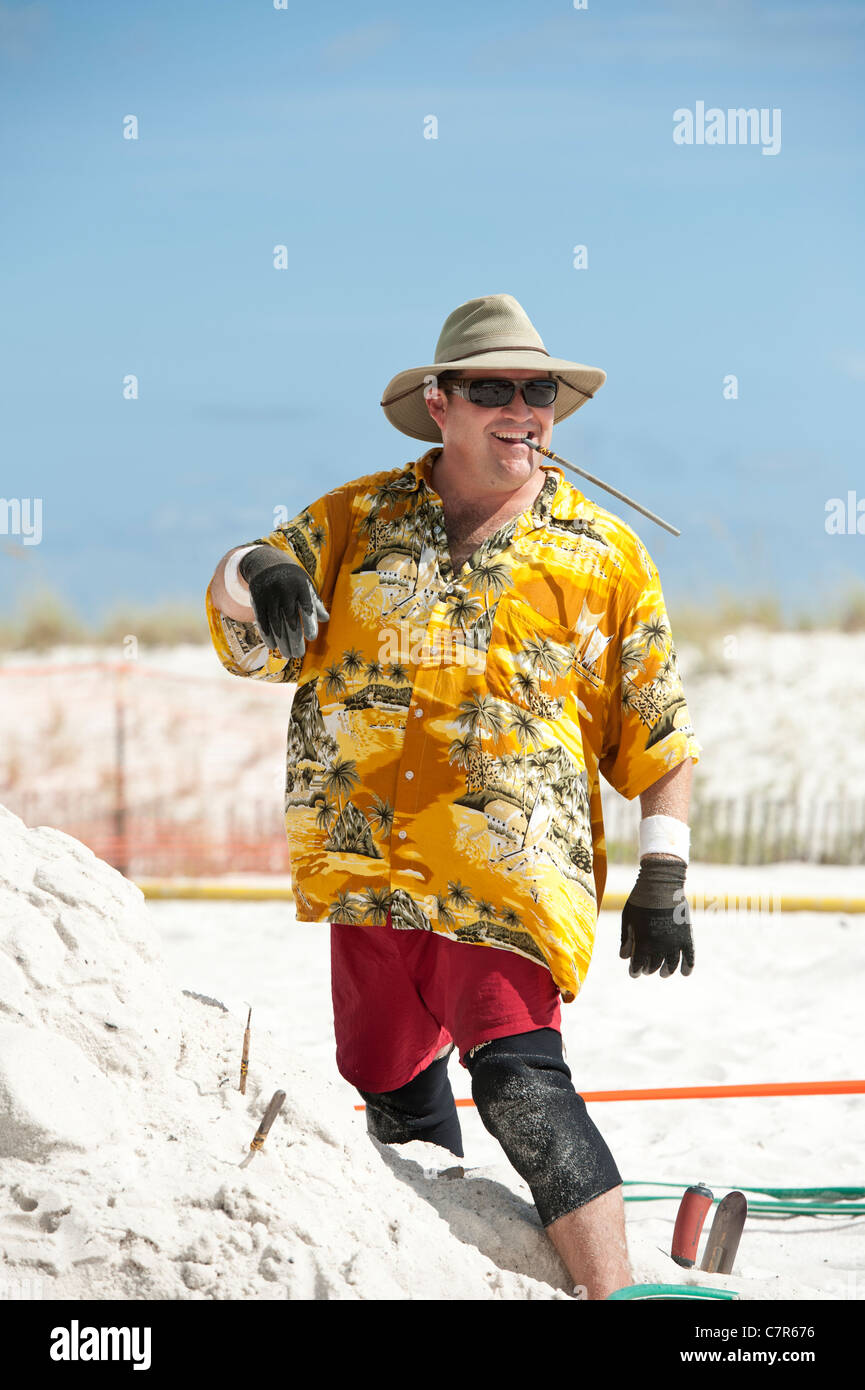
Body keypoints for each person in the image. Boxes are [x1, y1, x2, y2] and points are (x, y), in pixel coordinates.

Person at [206, 294, 702, 1300]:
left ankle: (615, 1296)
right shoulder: (354, 520)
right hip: (367, 866)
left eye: (538, 391)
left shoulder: (599, 553)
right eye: (492, 389)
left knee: (520, 1081)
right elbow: (231, 602)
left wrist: (665, 871)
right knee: (385, 1080)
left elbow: (656, 727)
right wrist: (256, 568)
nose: (520, 408)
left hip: (508, 866)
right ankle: (436, 1272)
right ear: (440, 403)